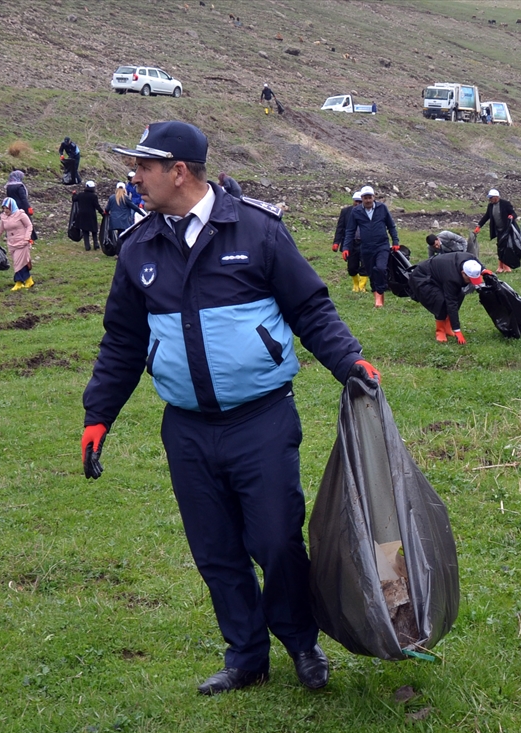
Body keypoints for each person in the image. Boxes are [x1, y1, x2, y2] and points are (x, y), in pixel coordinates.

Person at [81, 121, 380, 695]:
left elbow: (310, 307)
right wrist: (99, 416)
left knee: (276, 540)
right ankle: (246, 656)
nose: (134, 176)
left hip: (260, 419)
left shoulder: (258, 230)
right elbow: (122, 341)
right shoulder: (139, 247)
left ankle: (301, 642)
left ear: (178, 171)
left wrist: (349, 361)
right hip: (187, 428)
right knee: (215, 549)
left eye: (143, 166)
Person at [409, 252, 487, 344]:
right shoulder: (452, 278)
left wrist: (484, 270)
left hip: (438, 275)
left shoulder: (469, 258)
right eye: (470, 279)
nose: (471, 282)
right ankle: (440, 330)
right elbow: (451, 302)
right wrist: (457, 330)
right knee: (440, 301)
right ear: (463, 273)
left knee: (460, 295)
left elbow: (476, 260)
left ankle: (447, 326)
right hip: (423, 278)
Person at [343, 185, 399, 308]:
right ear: (362, 198)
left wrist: (395, 242)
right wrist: (346, 248)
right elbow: (350, 231)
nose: (368, 200)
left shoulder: (382, 208)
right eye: (365, 198)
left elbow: (391, 226)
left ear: (374, 197)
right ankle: (378, 299)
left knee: (380, 268)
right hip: (366, 247)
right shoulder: (356, 211)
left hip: (382, 245)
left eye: (370, 197)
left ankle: (380, 292)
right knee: (372, 272)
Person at [0, 197, 35, 290]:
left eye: (7, 208)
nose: (5, 210)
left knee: (18, 262)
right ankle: (29, 281)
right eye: (4, 208)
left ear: (12, 207)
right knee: (20, 262)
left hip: (22, 242)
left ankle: (18, 282)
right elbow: (0, 230)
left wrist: (27, 238)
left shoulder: (21, 215)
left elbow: (29, 225)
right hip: (12, 243)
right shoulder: (4, 217)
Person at [474, 188, 520, 272]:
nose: (490, 199)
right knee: (500, 247)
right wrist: (479, 226)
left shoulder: (505, 204)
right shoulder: (490, 206)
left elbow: (513, 213)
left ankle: (506, 266)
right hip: (499, 230)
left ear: (496, 197)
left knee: (506, 248)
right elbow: (486, 216)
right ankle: (500, 267)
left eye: (491, 198)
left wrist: (511, 216)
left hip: (507, 229)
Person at [333, 191, 367, 291]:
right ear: (353, 201)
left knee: (365, 265)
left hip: (365, 243)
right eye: (356, 201)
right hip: (350, 243)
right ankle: (355, 284)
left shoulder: (369, 211)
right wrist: (336, 242)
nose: (358, 203)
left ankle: (362, 287)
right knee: (352, 267)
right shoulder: (346, 211)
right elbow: (340, 228)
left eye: (360, 201)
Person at [5, 170, 38, 241]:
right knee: (27, 222)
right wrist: (28, 207)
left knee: (13, 221)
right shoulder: (20, 186)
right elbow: (23, 198)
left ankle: (10, 236)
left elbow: (8, 197)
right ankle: (30, 237)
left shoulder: (8, 186)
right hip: (21, 207)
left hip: (12, 206)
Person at [72, 180, 102, 252]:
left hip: (82, 215)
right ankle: (96, 244)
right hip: (91, 215)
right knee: (94, 230)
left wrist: (74, 194)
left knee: (85, 230)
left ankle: (87, 246)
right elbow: (97, 206)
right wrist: (102, 212)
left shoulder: (80, 195)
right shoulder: (93, 196)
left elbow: (74, 199)